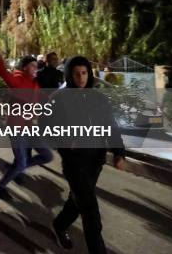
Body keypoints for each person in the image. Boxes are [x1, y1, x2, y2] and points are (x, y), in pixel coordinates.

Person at [51, 56, 125, 253]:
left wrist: (119, 152)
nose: (81, 77)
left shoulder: (98, 98)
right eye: (76, 73)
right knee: (90, 211)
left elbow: (110, 125)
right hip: (74, 163)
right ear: (69, 75)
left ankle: (59, 225)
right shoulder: (59, 99)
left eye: (84, 73)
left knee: (78, 201)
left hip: (95, 161)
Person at [0, 51, 53, 200]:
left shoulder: (34, 83)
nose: (35, 68)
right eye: (32, 66)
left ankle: (17, 168)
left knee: (47, 156)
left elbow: (41, 98)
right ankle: (0, 186)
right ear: (25, 67)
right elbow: (3, 73)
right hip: (16, 128)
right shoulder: (18, 80)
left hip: (30, 129)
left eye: (36, 66)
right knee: (21, 163)